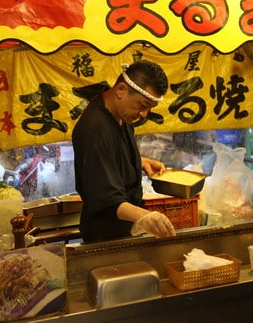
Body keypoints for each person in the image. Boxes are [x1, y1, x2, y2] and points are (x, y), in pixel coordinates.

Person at [72, 60, 176, 242]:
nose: (144, 114)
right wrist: (146, 216)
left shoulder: (119, 112)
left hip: (124, 230)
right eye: (142, 106)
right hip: (105, 237)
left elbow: (111, 152)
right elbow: (106, 199)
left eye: (149, 108)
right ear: (121, 90)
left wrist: (140, 161)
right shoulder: (95, 128)